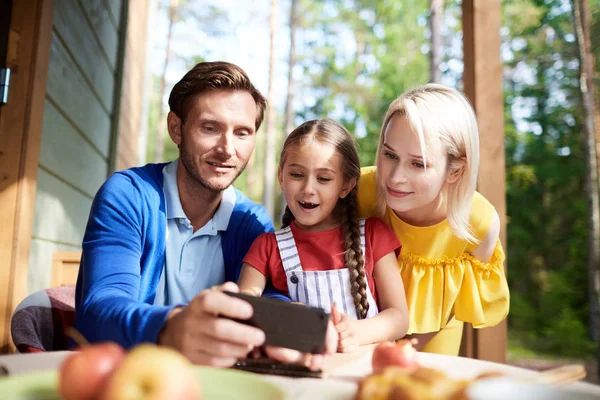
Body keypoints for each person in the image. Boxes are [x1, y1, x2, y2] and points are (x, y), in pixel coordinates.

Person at [75, 61, 334, 368]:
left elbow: (266, 298)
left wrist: (290, 322)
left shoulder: (251, 221)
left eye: (242, 133)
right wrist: (173, 328)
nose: (227, 149)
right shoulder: (127, 195)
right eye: (210, 128)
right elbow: (100, 308)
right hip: (117, 377)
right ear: (176, 128)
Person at [357, 84, 510, 356]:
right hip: (356, 338)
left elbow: (456, 303)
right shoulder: (358, 191)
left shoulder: (479, 224)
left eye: (418, 164)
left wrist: (401, 352)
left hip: (430, 349)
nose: (395, 177)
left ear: (455, 169)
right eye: (390, 155)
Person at [237, 119, 410, 353]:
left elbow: (399, 318)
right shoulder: (267, 246)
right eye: (297, 174)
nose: (308, 188)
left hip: (362, 371)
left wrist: (357, 332)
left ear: (346, 186)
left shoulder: (373, 235)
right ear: (281, 177)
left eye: (324, 179)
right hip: (300, 373)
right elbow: (244, 305)